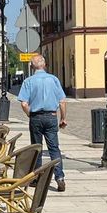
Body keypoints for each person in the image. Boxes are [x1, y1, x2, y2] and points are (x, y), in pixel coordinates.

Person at [18, 54, 68, 192]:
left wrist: (31, 114)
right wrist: (63, 118)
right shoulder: (54, 79)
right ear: (44, 64)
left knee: (37, 148)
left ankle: (37, 177)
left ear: (32, 66)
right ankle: (59, 177)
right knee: (54, 148)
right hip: (51, 117)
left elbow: (23, 103)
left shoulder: (28, 81)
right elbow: (62, 101)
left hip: (36, 118)